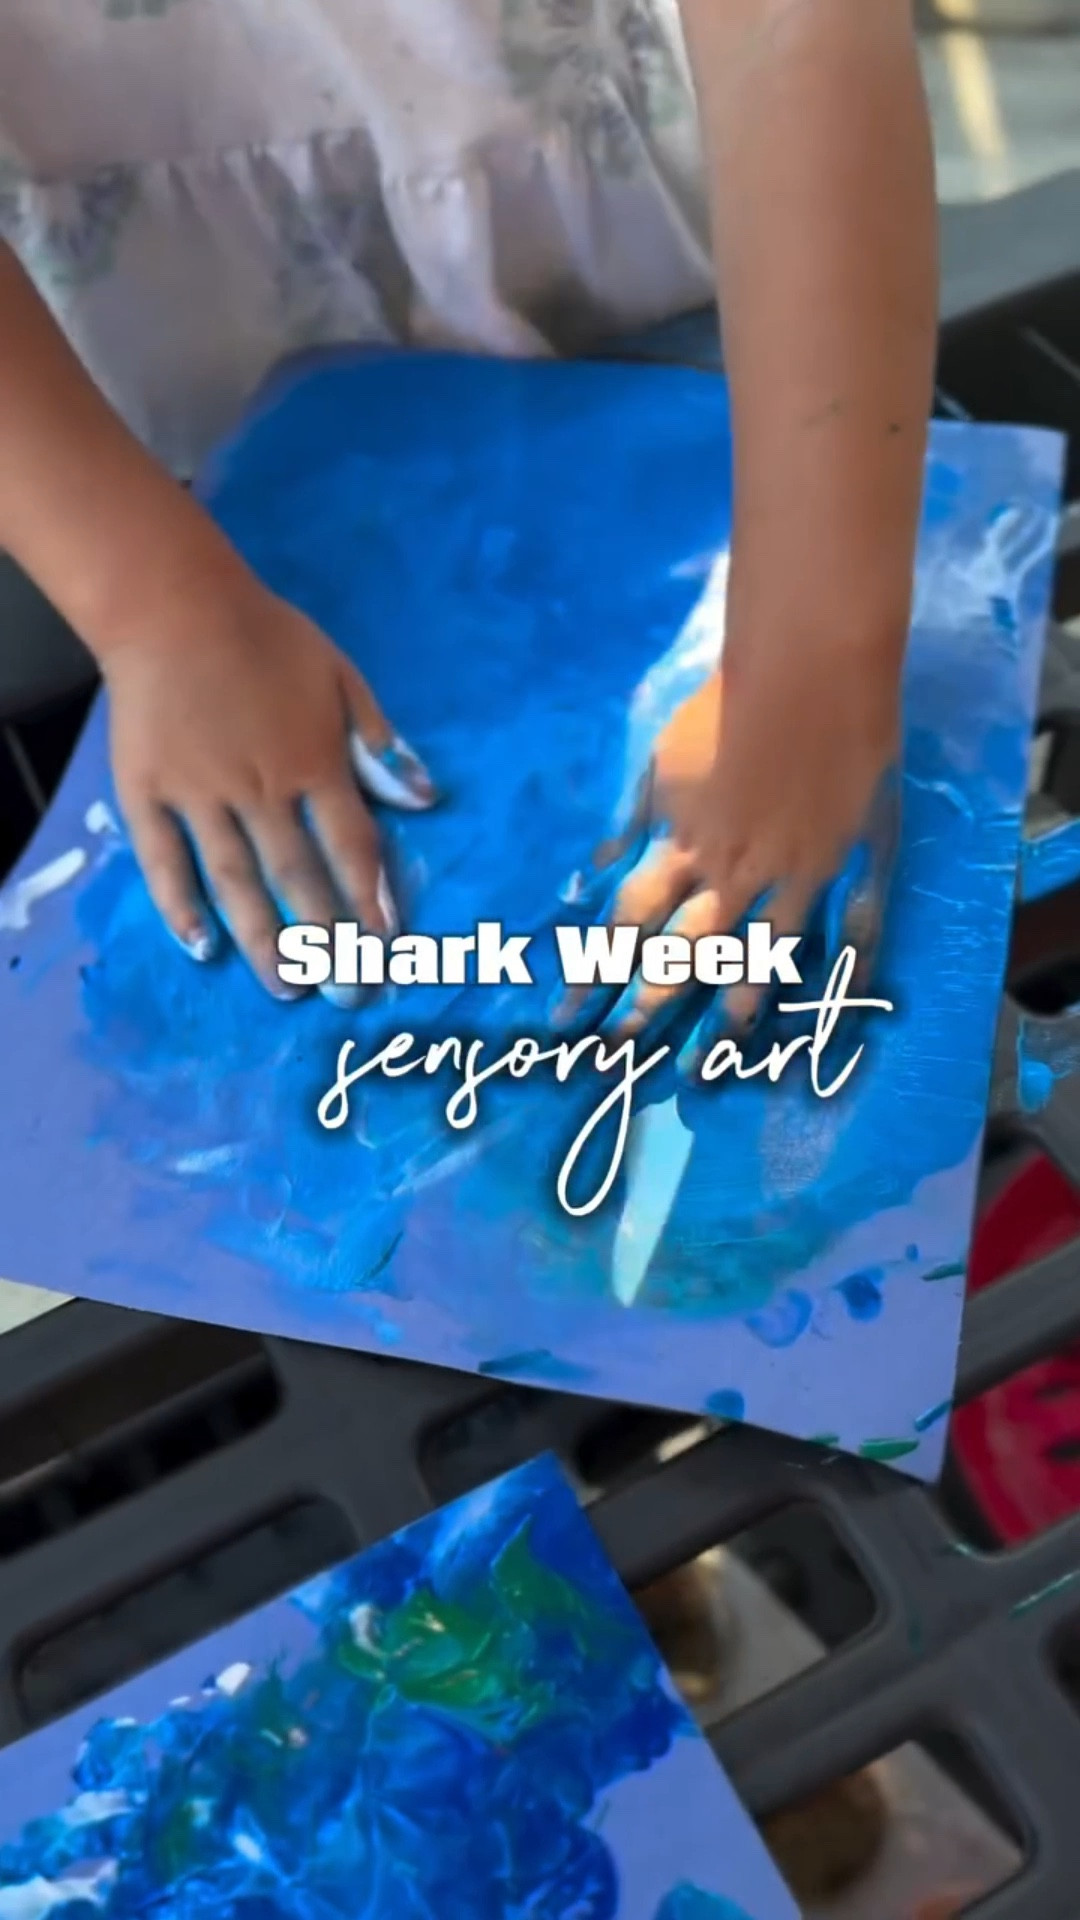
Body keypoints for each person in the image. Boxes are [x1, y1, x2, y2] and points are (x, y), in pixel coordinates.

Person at [0, 0, 937, 1008]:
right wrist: (160, 615)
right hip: (121, 437)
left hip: (671, 297)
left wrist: (819, 646)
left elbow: (785, 24)